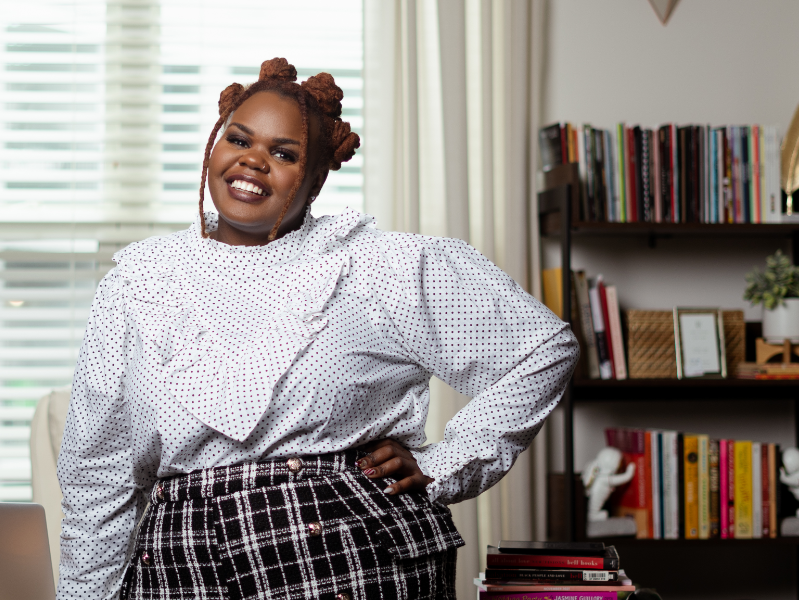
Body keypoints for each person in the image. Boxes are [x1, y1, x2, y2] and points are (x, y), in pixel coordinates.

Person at [57, 57, 578, 600]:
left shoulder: (376, 266)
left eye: (284, 154)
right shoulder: (138, 282)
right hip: (177, 562)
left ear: (316, 176)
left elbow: (541, 349)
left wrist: (447, 463)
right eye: (239, 139)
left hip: (349, 554)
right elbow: (99, 472)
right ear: (215, 145)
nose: (254, 161)